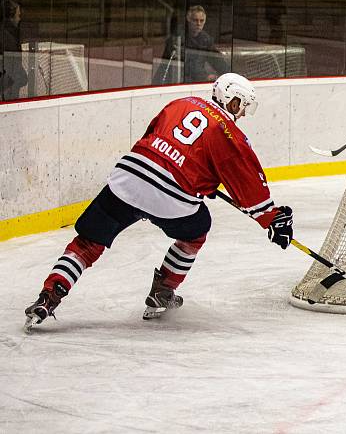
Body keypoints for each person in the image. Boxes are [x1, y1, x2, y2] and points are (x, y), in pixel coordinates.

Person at [24, 73, 294, 329]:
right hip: (170, 197)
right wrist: (271, 218)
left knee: (86, 244)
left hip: (129, 177)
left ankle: (49, 295)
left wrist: (200, 179)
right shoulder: (227, 130)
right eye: (242, 105)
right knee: (197, 230)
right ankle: (163, 291)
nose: (243, 112)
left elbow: (153, 138)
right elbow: (245, 179)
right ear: (232, 100)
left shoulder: (180, 103)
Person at [160, 5, 229, 84]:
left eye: (201, 20)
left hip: (196, 83)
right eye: (195, 20)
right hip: (177, 82)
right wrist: (204, 76)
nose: (198, 24)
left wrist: (231, 76)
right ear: (188, 20)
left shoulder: (206, 40)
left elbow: (219, 62)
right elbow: (186, 66)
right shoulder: (177, 38)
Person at [1, 0, 28, 100]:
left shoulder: (9, 33)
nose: (19, 19)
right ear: (11, 17)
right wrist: (20, 77)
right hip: (9, 87)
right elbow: (11, 64)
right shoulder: (8, 36)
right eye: (18, 15)